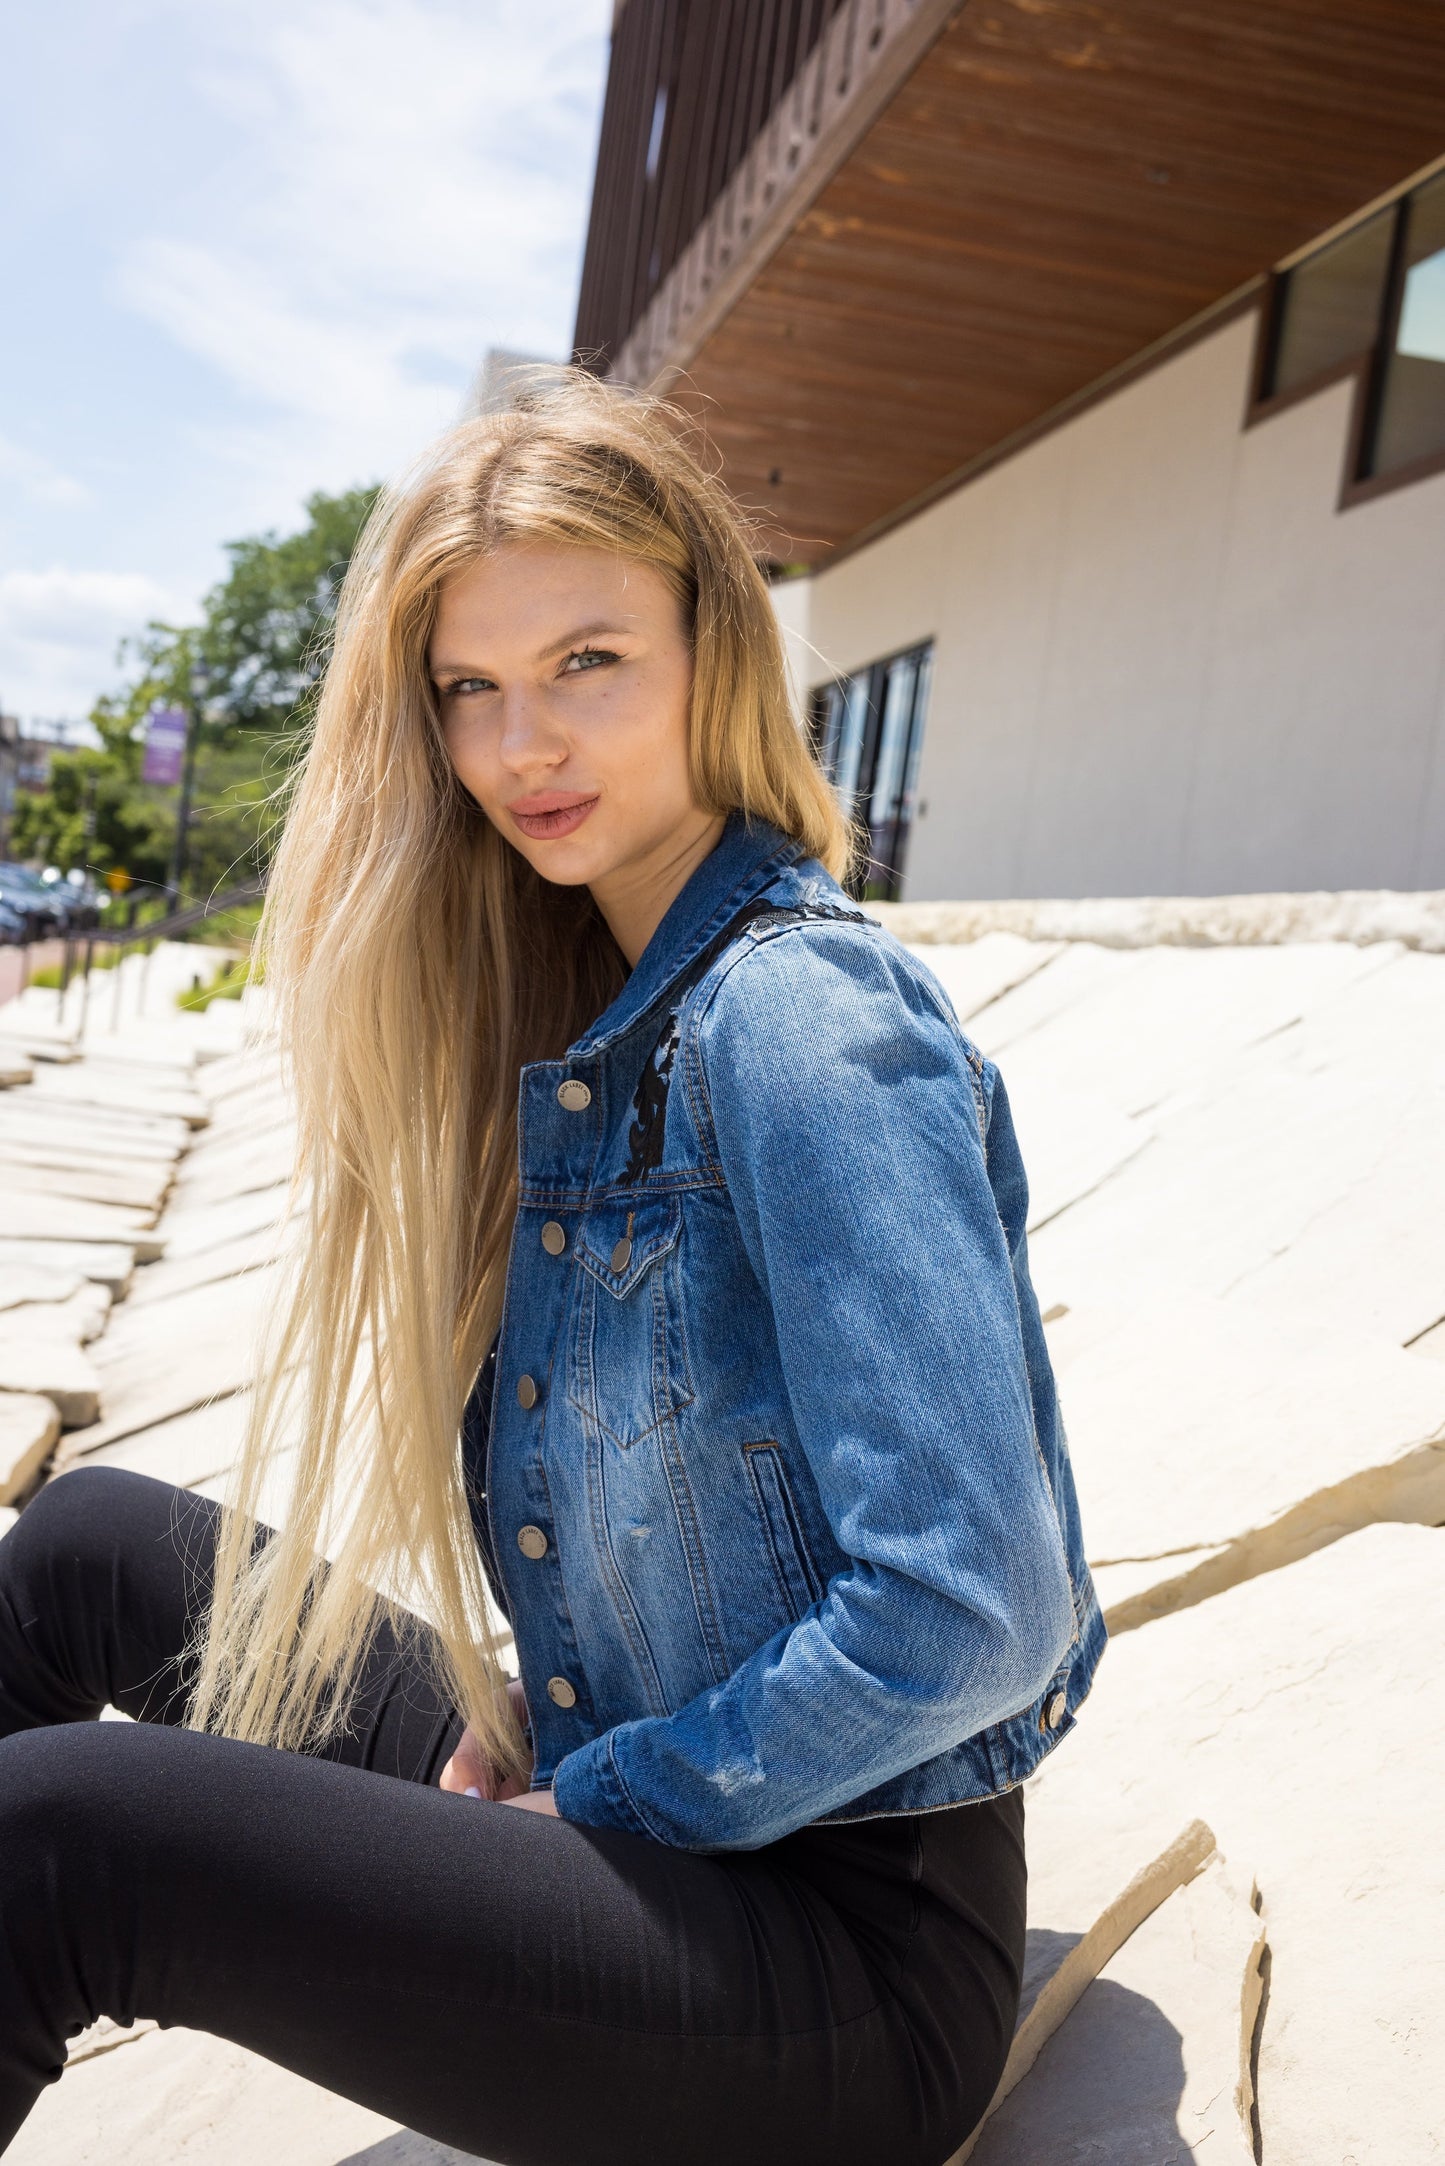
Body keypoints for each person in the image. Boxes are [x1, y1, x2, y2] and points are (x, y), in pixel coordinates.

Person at [0, 372, 1104, 2166]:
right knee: (90, 1551)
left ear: (710, 653)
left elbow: (974, 1605)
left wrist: (595, 1795)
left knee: (62, 1841)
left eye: (588, 661)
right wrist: (561, 1759)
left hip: (838, 1962)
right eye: (471, 688)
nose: (526, 746)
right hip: (653, 1802)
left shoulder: (799, 1020)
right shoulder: (602, 1000)